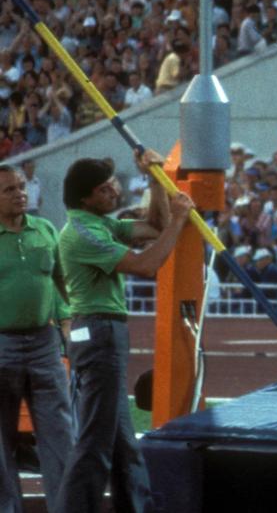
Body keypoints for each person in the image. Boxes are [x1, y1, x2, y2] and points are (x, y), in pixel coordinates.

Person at [57, 153, 195, 513]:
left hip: (106, 331)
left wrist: (153, 179)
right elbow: (148, 265)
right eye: (105, 189)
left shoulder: (99, 223)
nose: (115, 191)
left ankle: (134, 506)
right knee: (95, 443)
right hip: (99, 331)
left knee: (122, 442)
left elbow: (154, 225)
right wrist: (180, 220)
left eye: (114, 183)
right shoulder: (84, 233)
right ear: (86, 198)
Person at [0, 165, 73, 513]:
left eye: (21, 186)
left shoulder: (44, 228)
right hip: (2, 346)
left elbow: (59, 280)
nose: (20, 194)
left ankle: (66, 506)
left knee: (60, 432)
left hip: (45, 344)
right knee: (1, 441)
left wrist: (68, 319)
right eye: (9, 190)